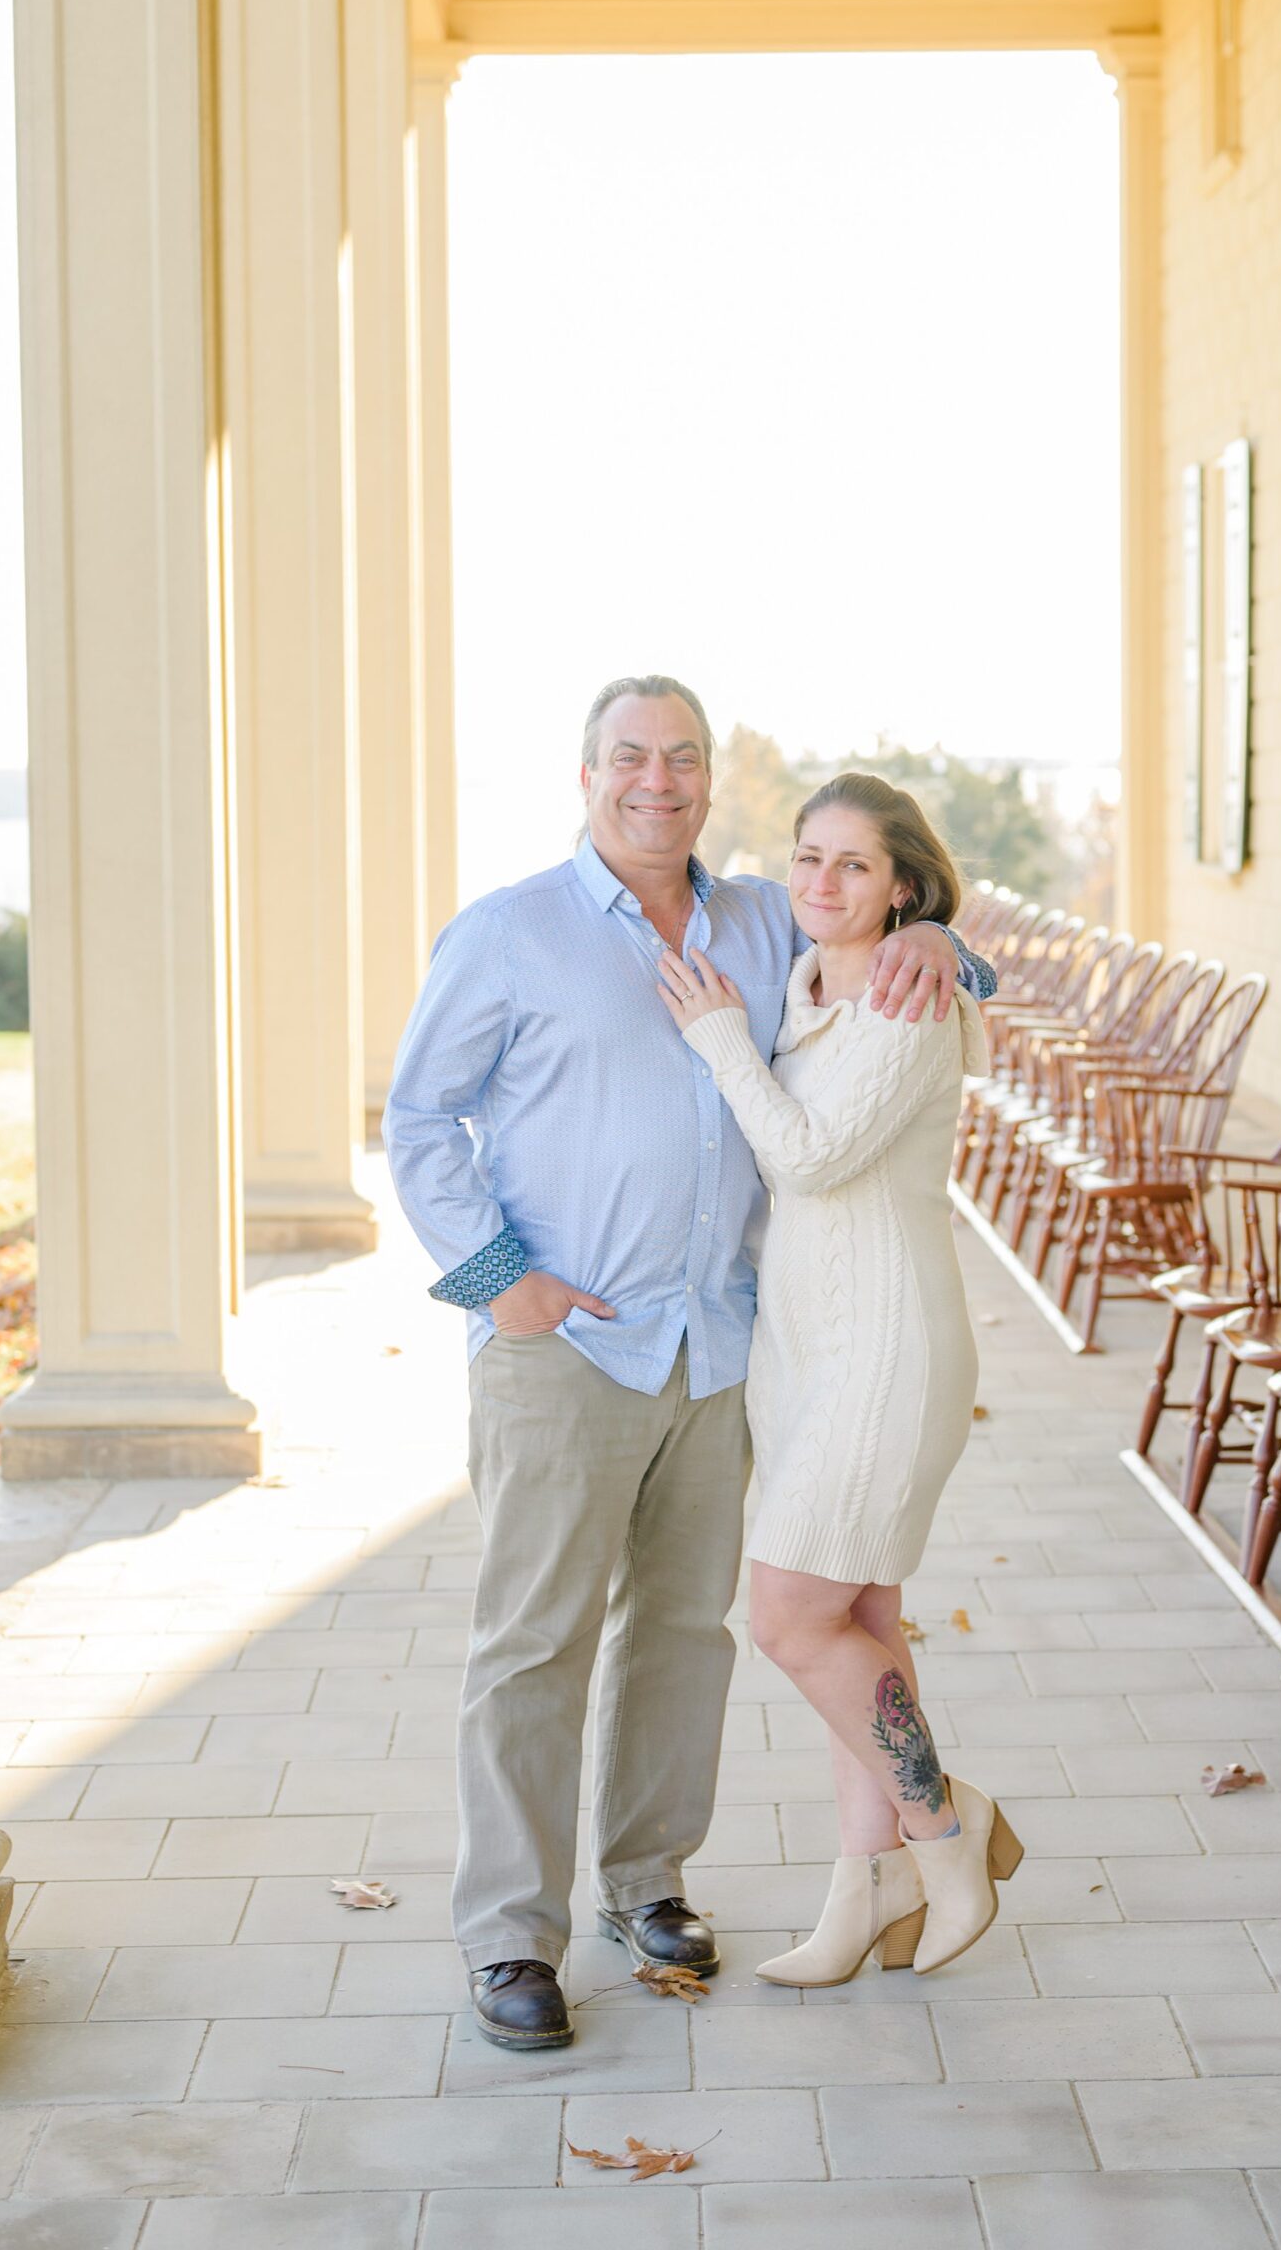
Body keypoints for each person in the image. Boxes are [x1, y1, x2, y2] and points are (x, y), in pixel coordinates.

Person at [383, 676, 994, 2050]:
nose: (655, 780)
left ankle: (647, 1886)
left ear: (709, 781)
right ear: (585, 773)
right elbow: (418, 1119)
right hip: (570, 1348)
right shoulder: (507, 935)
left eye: (682, 759)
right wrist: (500, 1284)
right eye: (628, 758)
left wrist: (948, 940)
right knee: (533, 1643)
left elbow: (890, 929)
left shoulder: (761, 914)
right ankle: (509, 1939)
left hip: (722, 1351)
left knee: (681, 1635)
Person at [657, 771, 1023, 1985]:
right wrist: (933, 934)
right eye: (809, 856)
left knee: (787, 1615)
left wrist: (713, 1035)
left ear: (902, 884)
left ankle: (941, 1825)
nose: (820, 882)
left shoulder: (909, 1003)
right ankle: (863, 1887)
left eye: (856, 866)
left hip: (884, 1350)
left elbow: (807, 1159)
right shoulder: (811, 978)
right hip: (803, 1351)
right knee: (857, 1617)